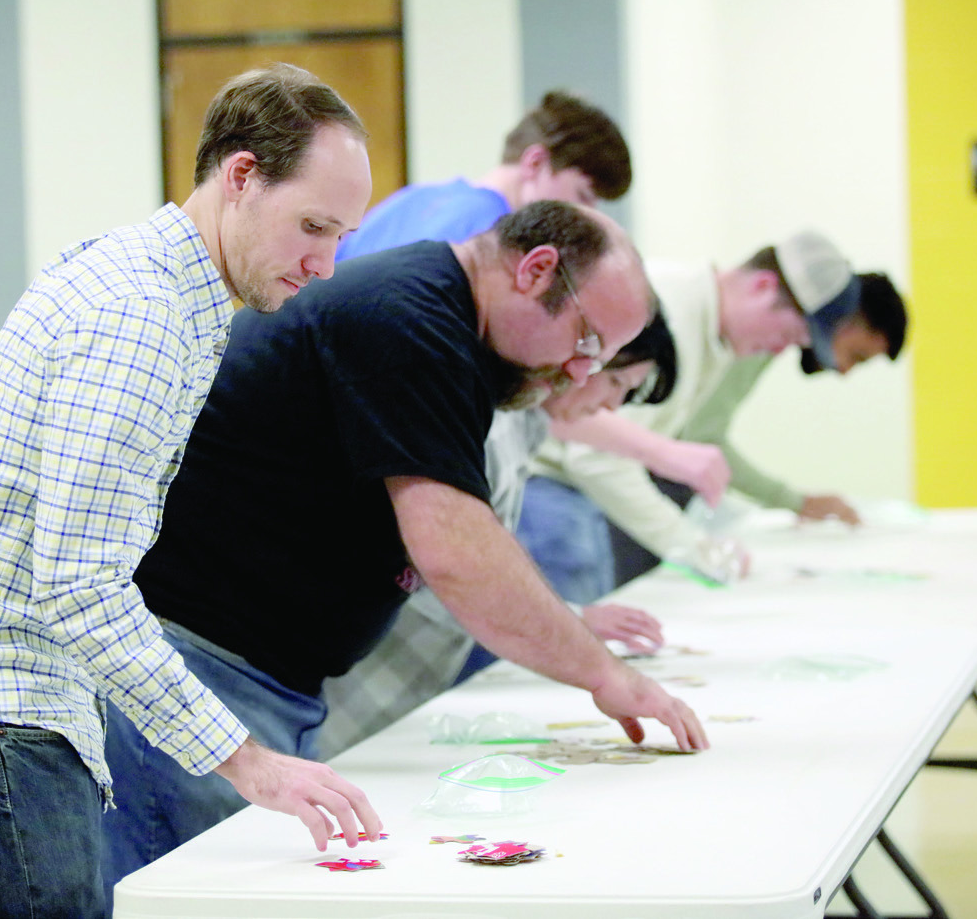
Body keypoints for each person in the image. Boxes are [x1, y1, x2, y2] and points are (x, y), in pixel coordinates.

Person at [0, 64, 380, 919]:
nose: (326, 264)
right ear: (240, 176)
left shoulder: (129, 273)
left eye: (345, 235)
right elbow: (80, 585)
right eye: (314, 226)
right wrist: (248, 759)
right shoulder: (142, 320)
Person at [103, 200, 711, 892]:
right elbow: (455, 548)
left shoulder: (454, 333)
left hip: (262, 678)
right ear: (536, 269)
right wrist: (607, 675)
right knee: (186, 899)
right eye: (585, 341)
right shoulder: (409, 318)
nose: (579, 374)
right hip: (202, 668)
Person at [316, 314, 679, 759]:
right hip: (367, 670)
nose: (612, 406)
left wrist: (572, 618)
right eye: (618, 382)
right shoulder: (493, 422)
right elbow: (461, 572)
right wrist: (578, 634)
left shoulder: (525, 422)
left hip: (400, 672)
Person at [522, 231, 880, 598]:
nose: (778, 349)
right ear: (762, 286)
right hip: (542, 489)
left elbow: (686, 442)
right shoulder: (675, 315)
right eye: (788, 334)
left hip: (567, 490)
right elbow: (597, 458)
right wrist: (694, 546)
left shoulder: (715, 335)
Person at [599, 273, 907, 586]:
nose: (844, 370)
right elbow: (701, 439)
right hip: (619, 483)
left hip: (626, 477)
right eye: (856, 355)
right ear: (844, 321)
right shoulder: (753, 334)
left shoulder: (755, 331)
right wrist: (794, 501)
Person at [335, 89, 632, 262]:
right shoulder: (495, 237)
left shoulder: (414, 198)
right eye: (583, 195)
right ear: (535, 162)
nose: (585, 214)